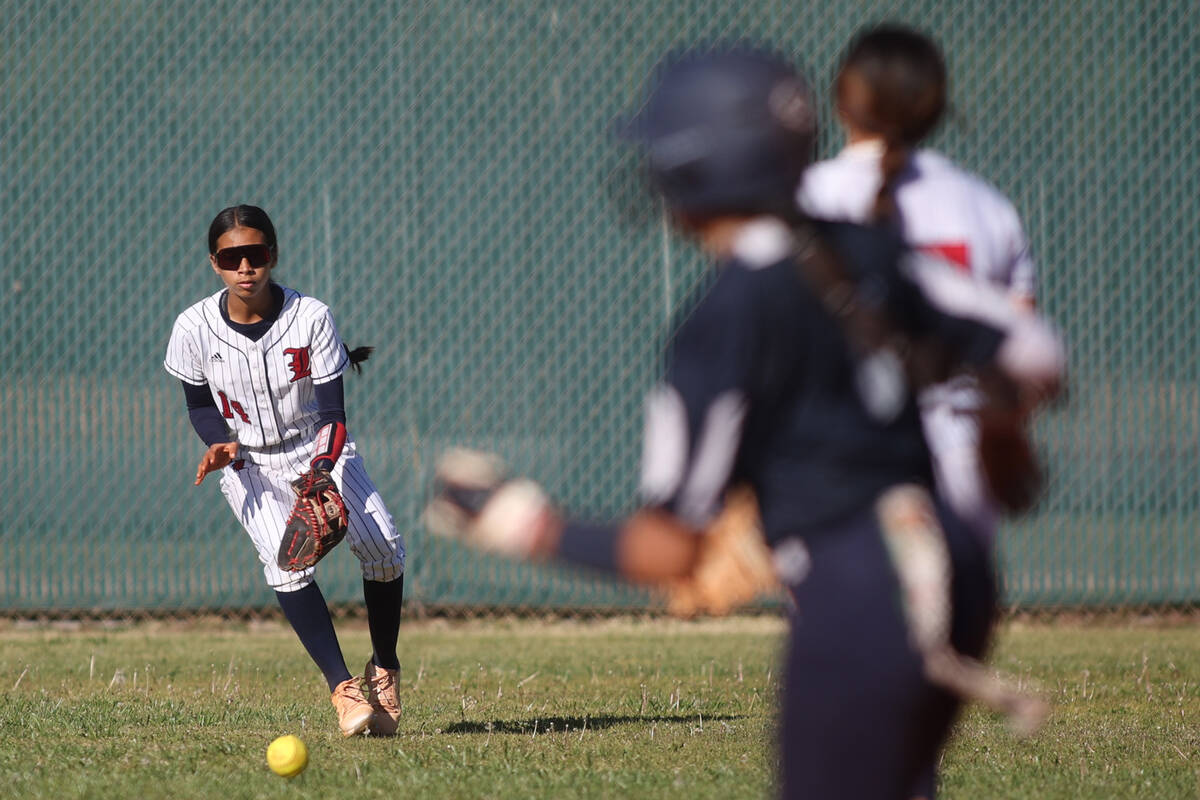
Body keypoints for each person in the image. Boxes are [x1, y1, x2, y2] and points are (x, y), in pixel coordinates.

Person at [427, 46, 1064, 798]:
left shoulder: (721, 319)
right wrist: (999, 434)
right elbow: (1035, 352)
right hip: (957, 563)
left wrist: (520, 524)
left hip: (858, 592)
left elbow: (668, 549)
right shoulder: (866, 248)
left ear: (690, 168)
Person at [164, 205, 407, 737]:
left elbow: (334, 416)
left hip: (318, 447)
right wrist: (219, 443)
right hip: (250, 461)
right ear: (215, 263)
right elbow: (199, 405)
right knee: (287, 568)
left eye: (255, 254)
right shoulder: (194, 327)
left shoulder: (310, 316)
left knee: (384, 546)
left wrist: (321, 471)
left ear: (272, 255)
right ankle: (344, 691)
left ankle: (384, 666)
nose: (244, 266)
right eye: (232, 257)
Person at [798, 24, 1039, 539]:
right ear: (933, 106)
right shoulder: (989, 207)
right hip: (963, 458)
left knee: (846, 615)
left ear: (845, 98)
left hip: (841, 457)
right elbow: (1019, 351)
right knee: (954, 614)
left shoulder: (809, 200)